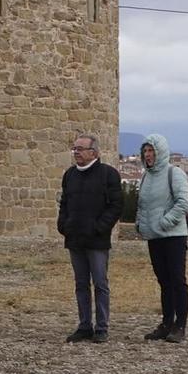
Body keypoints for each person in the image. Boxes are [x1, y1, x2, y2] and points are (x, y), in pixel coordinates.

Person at [58, 133, 123, 343]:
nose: (76, 152)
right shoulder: (69, 175)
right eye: (74, 149)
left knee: (100, 283)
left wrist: (100, 228)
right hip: (75, 238)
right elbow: (64, 203)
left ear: (93, 152)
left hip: (97, 240)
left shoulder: (108, 174)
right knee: (81, 284)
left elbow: (116, 206)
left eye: (80, 149)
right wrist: (64, 226)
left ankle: (102, 327)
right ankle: (84, 325)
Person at [136, 134, 188, 343]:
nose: (148, 155)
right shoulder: (145, 176)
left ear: (160, 152)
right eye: (145, 151)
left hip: (173, 236)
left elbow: (183, 203)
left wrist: (165, 222)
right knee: (164, 282)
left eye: (151, 151)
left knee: (177, 280)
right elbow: (143, 205)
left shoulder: (174, 173)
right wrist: (141, 224)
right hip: (154, 236)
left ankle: (180, 325)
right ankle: (167, 322)